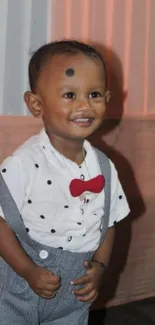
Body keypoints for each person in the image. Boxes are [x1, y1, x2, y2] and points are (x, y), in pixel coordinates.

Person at [0, 40, 130, 325]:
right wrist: (27, 271)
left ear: (107, 99)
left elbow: (108, 223)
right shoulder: (22, 164)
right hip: (19, 287)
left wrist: (100, 266)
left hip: (74, 293)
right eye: (70, 95)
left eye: (94, 94)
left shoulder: (105, 168)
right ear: (36, 104)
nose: (84, 105)